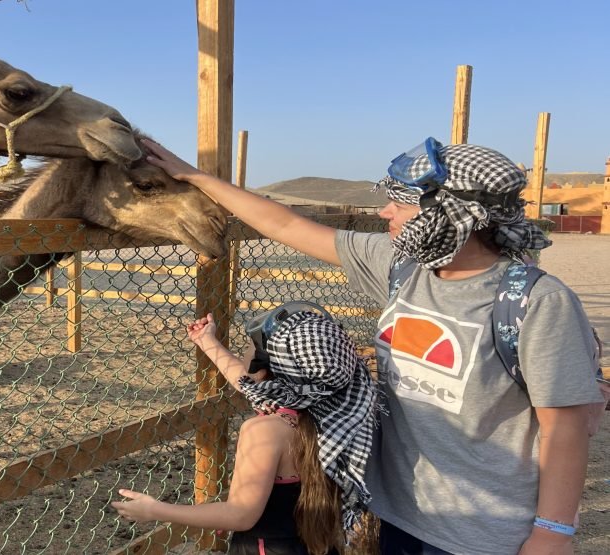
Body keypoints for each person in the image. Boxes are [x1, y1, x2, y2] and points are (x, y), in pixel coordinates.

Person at [139, 137, 606, 555]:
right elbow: (285, 225)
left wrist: (553, 532)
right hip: (397, 513)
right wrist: (194, 175)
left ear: (453, 216)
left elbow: (563, 428)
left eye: (401, 206)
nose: (386, 213)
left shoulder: (537, 302)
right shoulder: (401, 268)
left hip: (481, 530)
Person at [112, 305, 379, 555]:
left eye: (251, 348)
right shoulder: (334, 410)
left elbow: (240, 515)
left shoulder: (264, 431)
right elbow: (248, 381)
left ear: (265, 367)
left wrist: (156, 510)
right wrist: (207, 341)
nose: (245, 354)